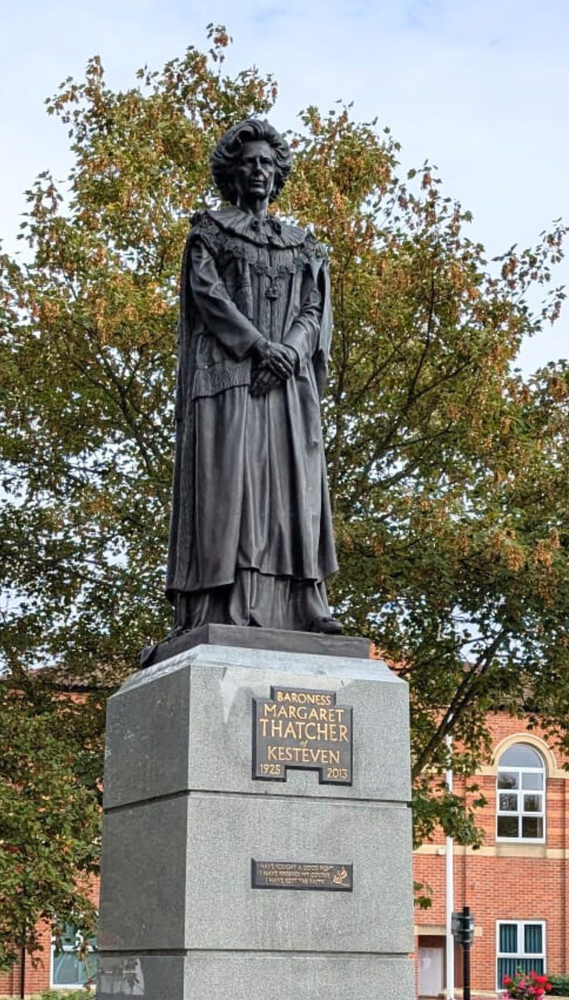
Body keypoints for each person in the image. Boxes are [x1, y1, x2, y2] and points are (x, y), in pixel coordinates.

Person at [164, 116, 342, 638]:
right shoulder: (210, 233)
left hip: (288, 385)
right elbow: (209, 297)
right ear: (232, 174)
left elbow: (314, 306)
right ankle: (228, 600)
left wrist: (288, 351)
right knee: (231, 492)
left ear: (277, 172)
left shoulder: (302, 245)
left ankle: (305, 599)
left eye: (267, 162)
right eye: (250, 163)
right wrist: (259, 347)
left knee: (296, 493)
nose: (259, 170)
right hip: (228, 380)